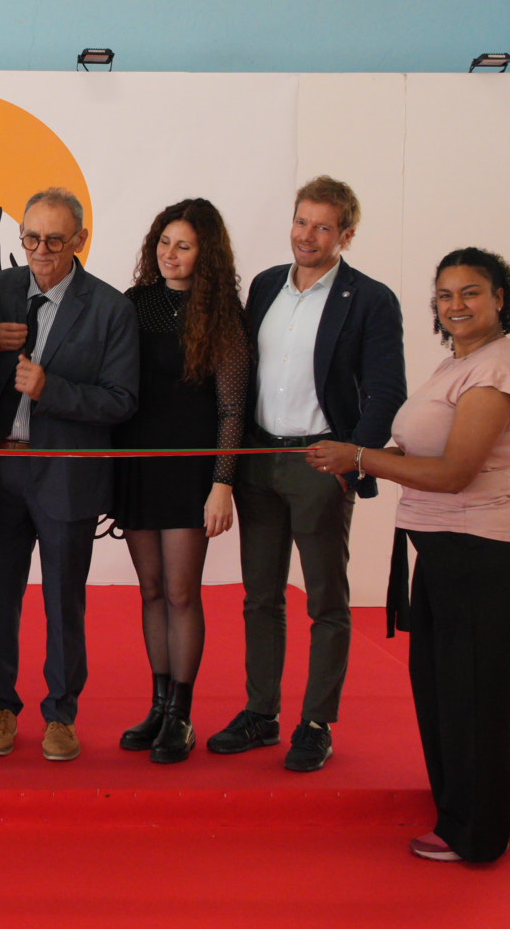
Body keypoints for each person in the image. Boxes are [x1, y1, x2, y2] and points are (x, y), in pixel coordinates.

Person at [306, 248, 510, 863]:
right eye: (445, 294)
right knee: (448, 692)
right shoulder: (457, 363)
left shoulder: (495, 371)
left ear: (500, 299)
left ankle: (475, 833)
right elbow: (423, 452)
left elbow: (454, 473)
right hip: (447, 549)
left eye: (471, 292)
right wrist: (356, 455)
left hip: (480, 549)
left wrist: (360, 457)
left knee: (468, 697)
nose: (456, 305)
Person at [210, 175, 404, 772]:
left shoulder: (370, 299)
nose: (308, 236)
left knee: (326, 600)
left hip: (321, 463)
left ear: (346, 235)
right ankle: (261, 712)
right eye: (301, 222)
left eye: (323, 227)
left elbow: (386, 390)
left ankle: (317, 722)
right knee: (260, 596)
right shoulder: (266, 285)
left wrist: (354, 457)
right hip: (259, 459)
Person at [0, 187, 138, 762]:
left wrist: (53, 389)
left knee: (63, 600)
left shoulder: (111, 308)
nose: (40, 251)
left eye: (54, 240)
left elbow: (122, 400)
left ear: (80, 241)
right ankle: (0, 705)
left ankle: (61, 714)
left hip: (66, 475)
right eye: (31, 238)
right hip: (0, 471)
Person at [113, 199, 249, 764]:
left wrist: (223, 483)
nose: (170, 254)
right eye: (164, 242)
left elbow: (232, 409)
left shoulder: (222, 314)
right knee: (149, 591)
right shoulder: (134, 303)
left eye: (184, 245)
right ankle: (159, 705)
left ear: (206, 254)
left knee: (180, 592)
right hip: (138, 464)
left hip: (191, 469)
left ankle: (182, 715)